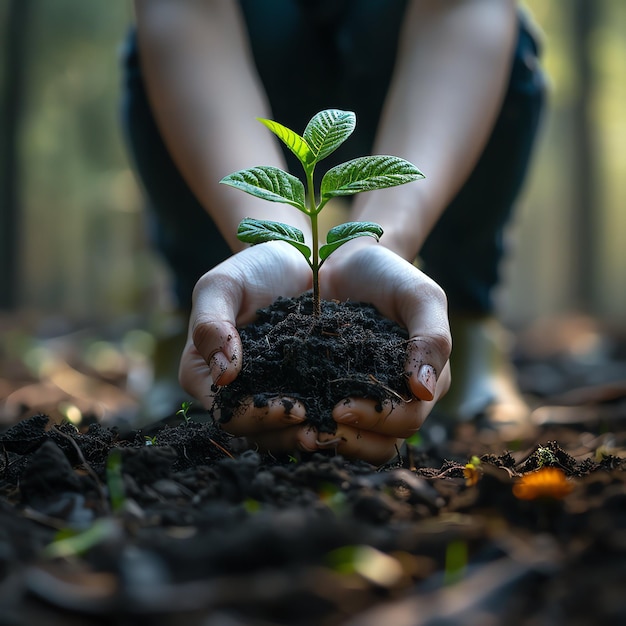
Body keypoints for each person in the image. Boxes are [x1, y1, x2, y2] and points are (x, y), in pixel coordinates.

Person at [121, 0, 545, 464]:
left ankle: (466, 317)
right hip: (242, 74)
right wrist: (274, 243)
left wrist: (381, 243)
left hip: (416, 80)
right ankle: (202, 315)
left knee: (497, 33)